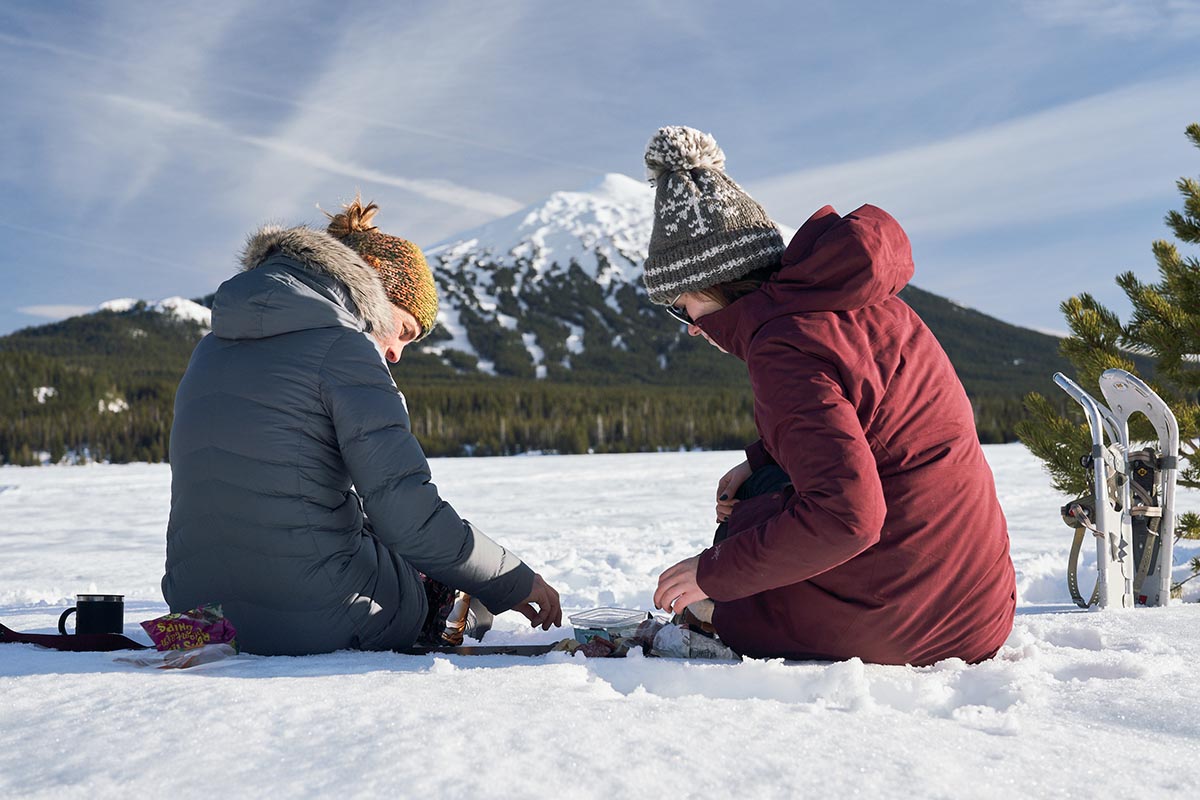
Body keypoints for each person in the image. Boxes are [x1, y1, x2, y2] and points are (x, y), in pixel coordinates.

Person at [643, 126, 1016, 666]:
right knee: (763, 496)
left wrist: (711, 575)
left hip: (908, 619)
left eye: (683, 309)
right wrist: (761, 462)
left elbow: (849, 518)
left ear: (714, 287)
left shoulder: (781, 345)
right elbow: (873, 418)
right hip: (978, 606)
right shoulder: (861, 305)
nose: (692, 329)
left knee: (737, 558)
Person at [163, 197, 561, 656]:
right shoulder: (346, 350)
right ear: (373, 291)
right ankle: (454, 613)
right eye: (405, 332)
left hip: (196, 618)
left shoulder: (208, 349)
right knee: (428, 576)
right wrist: (513, 581)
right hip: (315, 620)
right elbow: (409, 518)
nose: (396, 354)